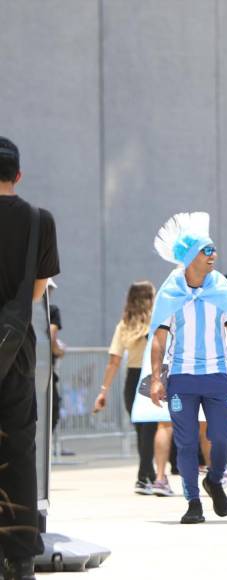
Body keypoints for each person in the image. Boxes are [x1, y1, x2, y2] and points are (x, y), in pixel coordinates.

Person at [147, 212, 227, 524]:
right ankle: (193, 502)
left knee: (221, 438)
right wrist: (157, 378)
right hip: (182, 379)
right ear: (191, 256)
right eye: (207, 250)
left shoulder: (221, 288)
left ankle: (215, 479)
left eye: (213, 249)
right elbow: (159, 337)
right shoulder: (171, 291)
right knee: (187, 442)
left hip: (217, 376)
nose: (213, 255)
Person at [0, 136, 60, 580]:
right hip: (15, 349)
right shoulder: (40, 220)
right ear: (18, 175)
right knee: (18, 449)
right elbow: (38, 290)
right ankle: (20, 557)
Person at [93, 281, 174, 496]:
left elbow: (114, 361)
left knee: (142, 430)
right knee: (150, 429)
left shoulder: (124, 325)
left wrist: (103, 390)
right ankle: (144, 476)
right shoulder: (158, 321)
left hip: (132, 380)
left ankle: (147, 475)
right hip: (151, 377)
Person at [47, 279, 64, 434]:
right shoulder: (52, 310)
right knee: (52, 410)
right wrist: (58, 350)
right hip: (45, 369)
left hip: (22, 367)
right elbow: (52, 336)